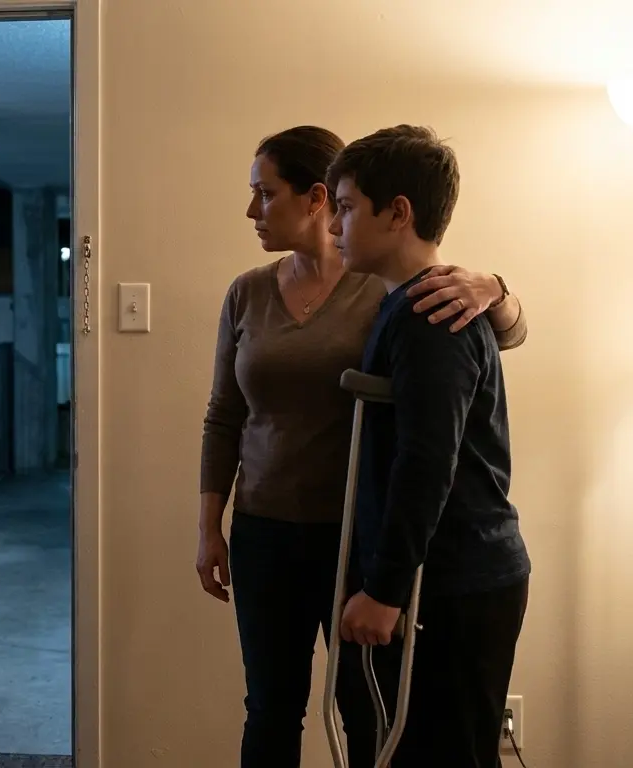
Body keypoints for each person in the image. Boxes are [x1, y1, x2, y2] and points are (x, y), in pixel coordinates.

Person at [195, 125, 529, 768]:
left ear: (316, 197)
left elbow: (468, 380)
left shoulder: (394, 289)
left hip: (358, 534)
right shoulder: (250, 292)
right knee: (271, 706)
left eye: (266, 193)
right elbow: (223, 415)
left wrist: (496, 286)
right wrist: (210, 526)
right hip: (267, 528)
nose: (252, 210)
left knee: (367, 707)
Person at [329, 124, 531, 767]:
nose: (334, 225)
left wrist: (386, 589)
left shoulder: (430, 316)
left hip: (454, 579)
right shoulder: (407, 303)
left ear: (398, 213)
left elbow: (427, 459)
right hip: (447, 574)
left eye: (346, 207)